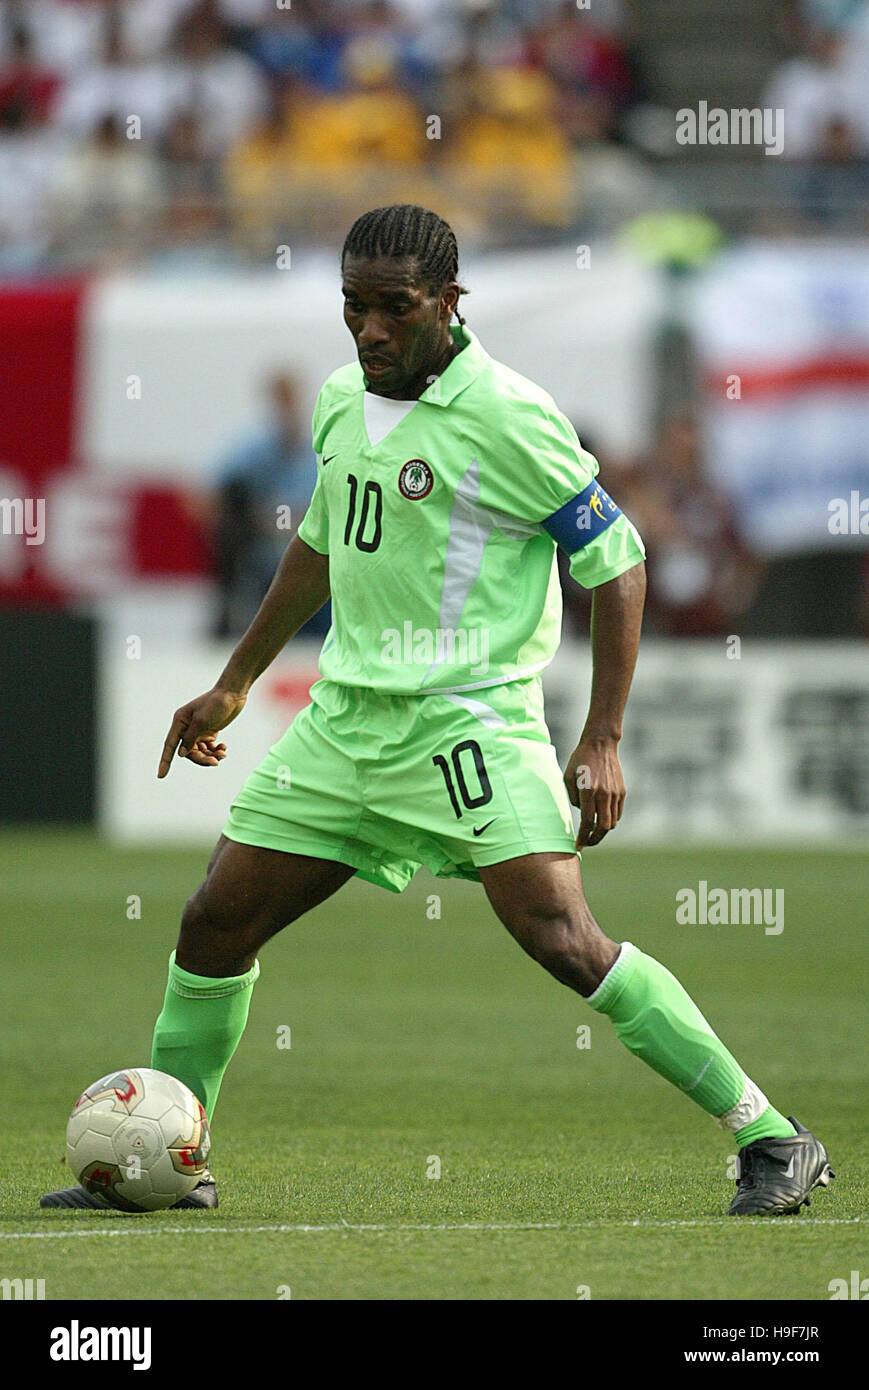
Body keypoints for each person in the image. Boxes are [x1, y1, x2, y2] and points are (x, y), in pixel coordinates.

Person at [41, 205, 833, 1217]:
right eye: (353, 308)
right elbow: (319, 547)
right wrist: (237, 680)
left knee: (560, 936)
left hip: (467, 724)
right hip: (343, 725)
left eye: (394, 309)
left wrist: (600, 737)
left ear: (449, 303)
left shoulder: (506, 413)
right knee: (212, 921)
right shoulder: (338, 399)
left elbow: (617, 561)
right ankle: (173, 1157)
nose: (369, 330)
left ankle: (771, 1137)